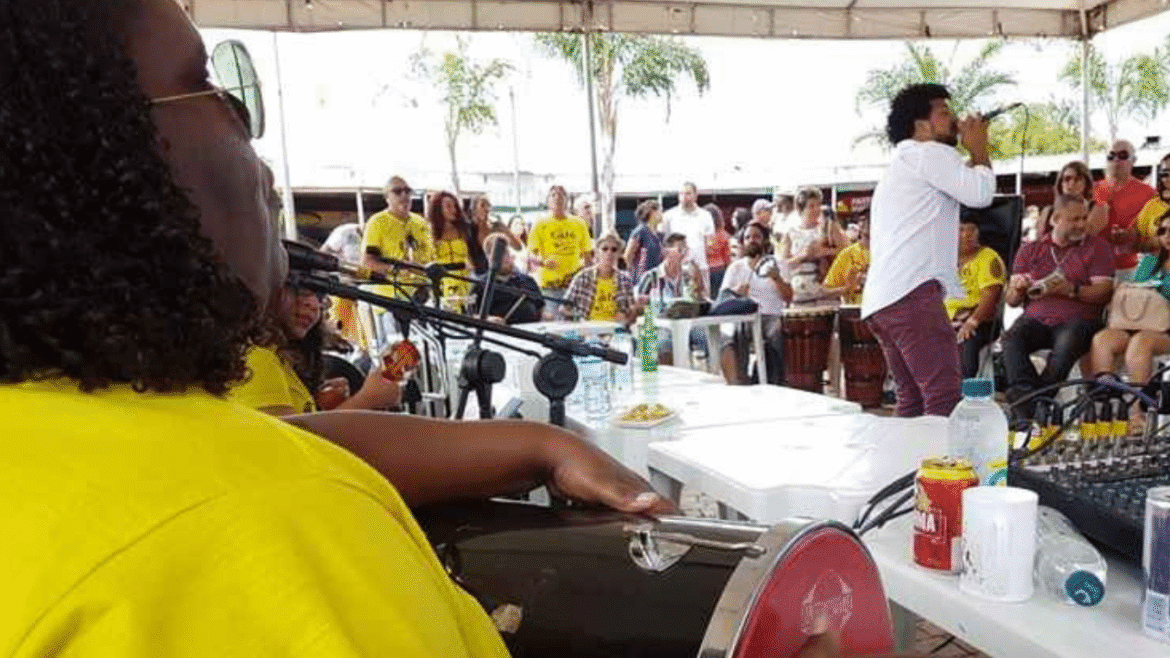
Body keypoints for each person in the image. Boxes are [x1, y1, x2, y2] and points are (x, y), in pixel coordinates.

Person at [0, 3, 672, 655]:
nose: (258, 156)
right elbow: (250, 467)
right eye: (209, 86)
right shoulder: (264, 528)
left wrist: (539, 444)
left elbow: (270, 441)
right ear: (91, 149)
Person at [861, 83, 995, 418]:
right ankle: (939, 455)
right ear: (921, 125)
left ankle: (905, 454)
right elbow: (980, 193)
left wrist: (971, 156)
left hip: (885, 298)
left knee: (913, 400)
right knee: (943, 396)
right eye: (944, 113)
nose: (955, 119)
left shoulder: (906, 160)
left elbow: (958, 181)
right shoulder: (928, 153)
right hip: (912, 294)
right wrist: (980, 150)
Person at [1001, 195, 1114, 407]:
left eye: (1084, 218)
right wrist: (1017, 289)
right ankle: (1032, 403)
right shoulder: (1030, 249)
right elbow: (1012, 302)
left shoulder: (1097, 247)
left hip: (1079, 320)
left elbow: (1104, 293)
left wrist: (1071, 290)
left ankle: (1030, 406)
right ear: (1055, 219)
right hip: (1035, 319)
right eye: (1074, 219)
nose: (1081, 224)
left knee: (1067, 341)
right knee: (1011, 338)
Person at [233, 283, 402, 414]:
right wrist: (366, 399)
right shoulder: (257, 358)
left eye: (319, 295)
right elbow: (289, 443)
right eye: (301, 290)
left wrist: (317, 404)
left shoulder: (279, 358)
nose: (314, 304)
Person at [1090, 209, 1170, 431]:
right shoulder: (1149, 262)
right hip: (1137, 322)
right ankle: (1104, 409)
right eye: (1163, 230)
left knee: (1140, 343)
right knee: (1102, 340)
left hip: (1164, 330)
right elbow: (1138, 291)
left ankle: (1137, 413)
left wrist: (1159, 285)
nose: (1167, 236)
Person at [361, 175, 436, 339]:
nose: (404, 195)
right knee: (397, 352)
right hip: (391, 303)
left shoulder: (421, 223)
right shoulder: (377, 222)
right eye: (397, 191)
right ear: (387, 197)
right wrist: (397, 270)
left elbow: (431, 259)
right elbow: (367, 262)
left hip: (422, 302)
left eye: (408, 191)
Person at [719, 221, 794, 384]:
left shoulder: (778, 263)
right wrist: (737, 293)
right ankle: (740, 380)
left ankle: (774, 380)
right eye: (747, 237)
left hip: (771, 316)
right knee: (733, 332)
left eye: (757, 237)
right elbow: (723, 297)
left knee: (778, 332)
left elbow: (789, 297)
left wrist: (777, 279)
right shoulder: (735, 267)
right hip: (745, 316)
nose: (752, 240)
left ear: (765, 240)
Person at [945, 217, 1006, 378]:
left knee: (967, 340)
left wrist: (972, 321)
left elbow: (991, 294)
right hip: (947, 319)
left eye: (972, 229)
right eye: (961, 229)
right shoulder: (944, 258)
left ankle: (966, 388)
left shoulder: (988, 257)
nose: (967, 234)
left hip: (980, 319)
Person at [1091, 139, 1157, 278]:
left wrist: (1133, 237)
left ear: (1133, 160)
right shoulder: (1092, 190)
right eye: (1111, 156)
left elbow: (1158, 237)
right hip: (1093, 268)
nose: (1116, 160)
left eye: (1123, 155)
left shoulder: (1149, 194)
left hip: (1132, 269)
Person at [779, 186, 849, 303]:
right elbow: (782, 265)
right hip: (799, 290)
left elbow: (846, 251)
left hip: (826, 287)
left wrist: (825, 252)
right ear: (801, 209)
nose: (816, 209)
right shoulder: (790, 233)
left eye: (818, 205)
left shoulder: (828, 227)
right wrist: (802, 256)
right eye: (811, 206)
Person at [527, 184, 592, 299]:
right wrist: (543, 262)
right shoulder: (540, 223)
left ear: (567, 201)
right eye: (553, 195)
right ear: (548, 201)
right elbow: (531, 255)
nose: (557, 198)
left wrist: (588, 280)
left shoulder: (579, 224)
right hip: (550, 286)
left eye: (561, 195)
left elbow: (587, 256)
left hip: (574, 284)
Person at [470, 233, 544, 324]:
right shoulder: (480, 286)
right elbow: (471, 316)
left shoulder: (527, 280)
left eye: (508, 253)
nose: (509, 257)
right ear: (490, 258)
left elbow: (541, 308)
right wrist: (488, 319)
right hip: (499, 331)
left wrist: (547, 317)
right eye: (503, 254)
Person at [426, 190, 484, 304]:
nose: (454, 210)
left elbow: (472, 255)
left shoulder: (464, 229)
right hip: (443, 281)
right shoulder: (429, 232)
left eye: (455, 206)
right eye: (448, 206)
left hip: (465, 279)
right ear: (438, 209)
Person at [564, 233, 635, 324]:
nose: (609, 253)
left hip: (615, 328)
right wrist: (579, 319)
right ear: (597, 252)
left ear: (618, 254)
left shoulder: (625, 280)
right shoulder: (583, 277)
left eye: (614, 249)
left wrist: (635, 309)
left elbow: (630, 316)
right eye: (604, 249)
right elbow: (564, 307)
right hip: (587, 328)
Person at [320, 222, 366, 346]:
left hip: (364, 288)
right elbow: (324, 253)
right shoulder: (345, 232)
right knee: (341, 329)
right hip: (342, 287)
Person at [661, 181, 715, 285]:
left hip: (700, 267)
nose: (684, 197)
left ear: (695, 195)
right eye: (681, 194)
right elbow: (664, 242)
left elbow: (709, 242)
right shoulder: (668, 216)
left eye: (688, 193)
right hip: (676, 269)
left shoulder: (706, 216)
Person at [1036, 161, 1097, 240]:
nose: (1071, 183)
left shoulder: (1094, 209)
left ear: (1086, 184)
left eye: (1077, 179)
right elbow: (1039, 241)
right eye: (1067, 179)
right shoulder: (1048, 212)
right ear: (1061, 184)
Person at [822, 215, 871, 305]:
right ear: (860, 232)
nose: (870, 242)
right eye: (867, 236)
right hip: (854, 309)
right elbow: (826, 291)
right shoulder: (848, 253)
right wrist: (847, 288)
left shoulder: (887, 252)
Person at [1132, 152, 1170, 252]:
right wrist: (1155, 244)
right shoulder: (1152, 206)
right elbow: (1135, 242)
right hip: (1156, 259)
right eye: (1165, 174)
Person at [624, 199, 664, 284]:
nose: (662, 214)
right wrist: (630, 275)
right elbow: (628, 255)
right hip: (640, 278)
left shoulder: (658, 235)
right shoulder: (641, 231)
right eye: (660, 211)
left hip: (654, 278)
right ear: (652, 212)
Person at [705, 202, 734, 293]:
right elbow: (727, 257)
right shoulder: (723, 234)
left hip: (705, 269)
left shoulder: (703, 234)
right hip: (719, 269)